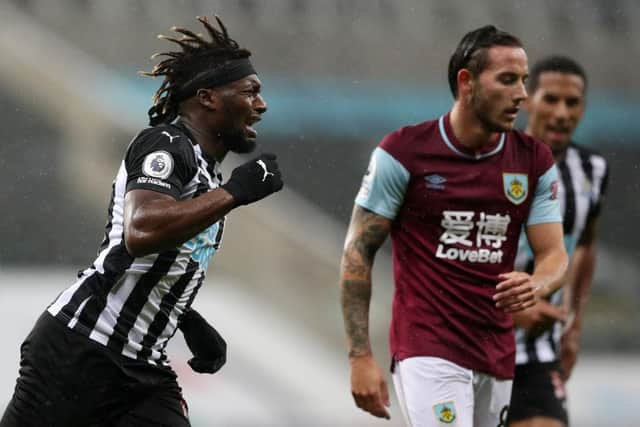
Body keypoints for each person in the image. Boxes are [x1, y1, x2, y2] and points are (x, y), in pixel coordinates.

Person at [1, 15, 283, 427]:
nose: (261, 105)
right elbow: (141, 231)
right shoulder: (166, 144)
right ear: (207, 98)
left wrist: (185, 317)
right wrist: (236, 192)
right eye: (250, 92)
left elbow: (151, 258)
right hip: (81, 350)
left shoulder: (206, 171)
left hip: (142, 368)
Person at [339, 25, 569, 427]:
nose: (522, 95)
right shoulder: (403, 152)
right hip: (428, 347)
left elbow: (553, 254)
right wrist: (360, 355)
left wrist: (536, 284)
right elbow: (357, 253)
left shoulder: (534, 160)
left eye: (524, 80)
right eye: (508, 79)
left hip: (496, 350)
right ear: (466, 81)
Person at [507, 56, 609, 427]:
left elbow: (585, 244)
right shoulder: (493, 159)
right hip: (475, 341)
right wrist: (509, 308)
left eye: (573, 102)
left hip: (538, 351)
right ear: (527, 99)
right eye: (551, 99)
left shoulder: (593, 170)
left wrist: (575, 327)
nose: (562, 112)